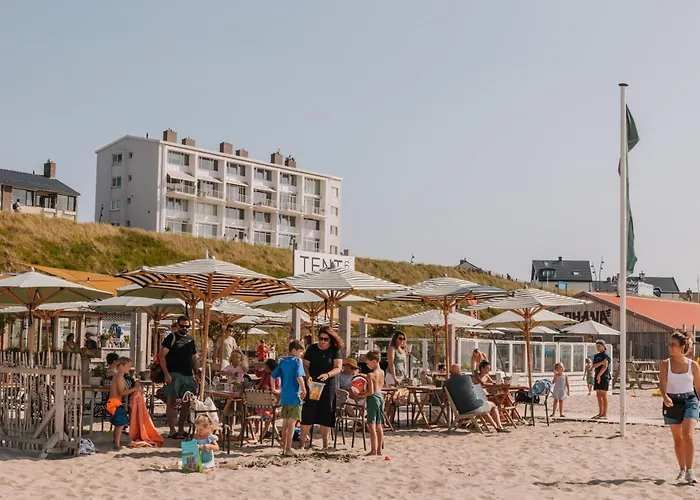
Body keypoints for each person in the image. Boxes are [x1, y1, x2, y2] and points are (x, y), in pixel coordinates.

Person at [660, 331, 700, 484]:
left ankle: (690, 471)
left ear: (682, 347)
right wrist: (665, 396)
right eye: (669, 344)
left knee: (687, 434)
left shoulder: (693, 365)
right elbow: (662, 383)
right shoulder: (665, 364)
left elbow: (698, 387)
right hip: (672, 401)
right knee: (677, 439)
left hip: (690, 400)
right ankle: (682, 470)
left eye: (673, 345)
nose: (670, 347)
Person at [299, 326, 343, 449]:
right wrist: (308, 376)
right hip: (313, 385)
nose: (323, 341)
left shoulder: (334, 350)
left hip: (328, 385)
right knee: (308, 412)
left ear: (330, 339)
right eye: (321, 338)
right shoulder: (312, 348)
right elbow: (305, 365)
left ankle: (325, 444)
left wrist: (328, 374)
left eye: (326, 339)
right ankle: (302, 443)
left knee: (326, 413)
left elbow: (338, 367)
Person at [160, 316, 199, 439]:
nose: (185, 328)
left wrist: (196, 371)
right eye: (182, 326)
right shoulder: (171, 338)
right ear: (177, 326)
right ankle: (172, 430)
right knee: (171, 401)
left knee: (187, 403)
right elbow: (162, 356)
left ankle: (181, 429)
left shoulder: (190, 340)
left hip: (188, 375)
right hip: (174, 374)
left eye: (187, 326)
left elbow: (194, 357)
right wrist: (166, 373)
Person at [271, 340, 307, 456]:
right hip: (295, 396)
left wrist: (274, 388)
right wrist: (304, 389)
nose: (301, 354)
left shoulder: (282, 361)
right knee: (292, 424)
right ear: (294, 351)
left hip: (285, 396)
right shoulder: (297, 361)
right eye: (300, 351)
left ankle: (284, 448)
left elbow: (273, 375)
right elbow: (299, 377)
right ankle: (288, 448)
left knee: (285, 424)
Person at [106, 357, 142, 449]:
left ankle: (115, 441)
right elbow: (123, 392)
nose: (129, 368)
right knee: (121, 423)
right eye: (128, 366)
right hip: (114, 403)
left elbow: (125, 389)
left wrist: (135, 386)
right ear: (122, 366)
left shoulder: (119, 376)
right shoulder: (119, 377)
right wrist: (135, 389)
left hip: (114, 402)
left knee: (119, 423)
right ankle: (117, 444)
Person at [357, 350, 385, 456]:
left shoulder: (370, 374)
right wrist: (364, 376)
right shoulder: (382, 372)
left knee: (371, 425)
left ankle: (373, 450)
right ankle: (379, 450)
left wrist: (361, 395)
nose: (366, 365)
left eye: (367, 363)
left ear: (374, 361)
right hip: (380, 397)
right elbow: (377, 384)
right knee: (379, 425)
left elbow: (370, 392)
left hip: (373, 399)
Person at [592, 339, 611, 420]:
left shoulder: (606, 356)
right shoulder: (596, 356)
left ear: (603, 346)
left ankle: (604, 413)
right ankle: (600, 412)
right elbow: (595, 365)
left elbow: (605, 366)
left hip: (604, 376)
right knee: (598, 394)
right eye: (597, 346)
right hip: (597, 375)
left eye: (599, 346)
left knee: (603, 394)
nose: (598, 348)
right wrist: (601, 363)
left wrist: (599, 375)